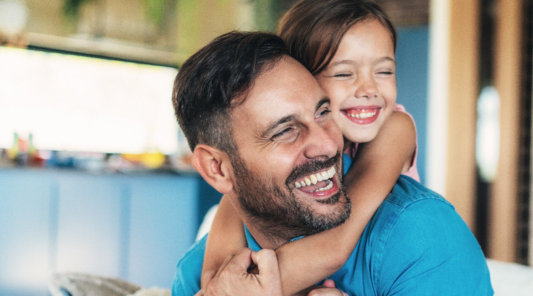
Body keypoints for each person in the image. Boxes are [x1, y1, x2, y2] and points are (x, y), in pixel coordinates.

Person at [171, 31, 493, 296]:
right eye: (285, 131)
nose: (328, 144)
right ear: (217, 168)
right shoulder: (201, 278)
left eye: (323, 112)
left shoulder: (419, 237)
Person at [201, 1, 420, 294]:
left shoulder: (396, 128)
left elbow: (334, 245)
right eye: (344, 74)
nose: (369, 89)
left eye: (384, 71)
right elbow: (216, 268)